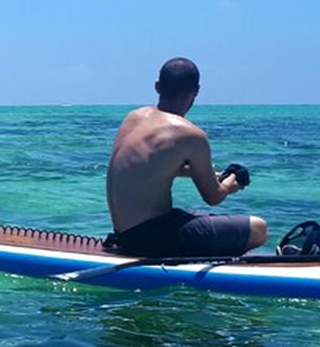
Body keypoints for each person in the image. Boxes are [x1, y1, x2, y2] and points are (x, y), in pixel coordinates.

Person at [104, 57, 267, 257]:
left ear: (157, 86)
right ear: (196, 91)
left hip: (123, 235)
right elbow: (213, 196)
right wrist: (234, 181)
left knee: (193, 215)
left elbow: (153, 166)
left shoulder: (133, 118)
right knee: (259, 228)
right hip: (151, 241)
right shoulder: (190, 134)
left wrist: (215, 174)